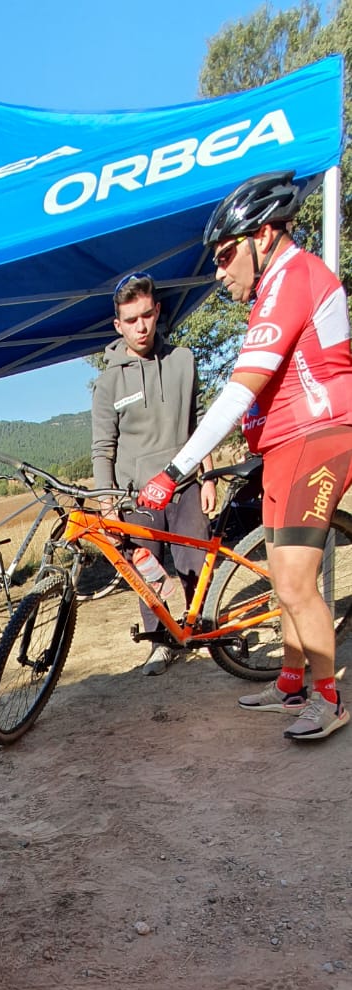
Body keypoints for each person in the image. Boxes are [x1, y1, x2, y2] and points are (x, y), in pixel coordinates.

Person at [138, 170, 352, 742]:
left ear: (263, 236)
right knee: (283, 579)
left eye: (225, 255)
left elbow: (238, 393)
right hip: (285, 445)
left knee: (296, 583)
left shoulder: (293, 278)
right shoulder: (274, 289)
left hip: (315, 437)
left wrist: (175, 471)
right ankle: (290, 683)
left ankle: (329, 699)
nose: (218, 271)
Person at [90, 273, 216, 674]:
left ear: (158, 311)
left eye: (146, 315)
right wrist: (107, 504)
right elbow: (102, 449)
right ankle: (160, 644)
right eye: (131, 320)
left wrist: (209, 476)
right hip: (137, 498)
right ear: (118, 325)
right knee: (147, 573)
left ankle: (202, 632)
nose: (141, 327)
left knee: (196, 566)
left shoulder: (184, 360)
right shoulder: (108, 382)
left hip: (185, 486)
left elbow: (201, 424)